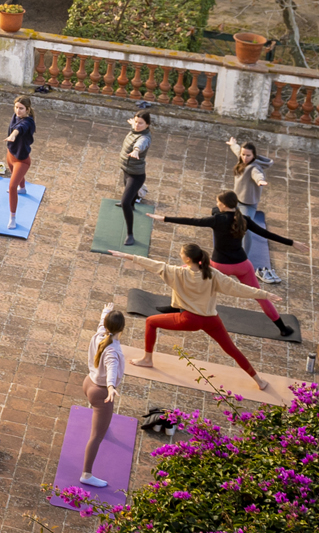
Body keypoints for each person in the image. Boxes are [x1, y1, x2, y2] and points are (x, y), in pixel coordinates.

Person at [107, 242, 270, 391]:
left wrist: (128, 256)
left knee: (150, 321)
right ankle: (259, 381)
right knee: (232, 350)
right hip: (212, 320)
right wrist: (264, 294)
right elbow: (237, 288)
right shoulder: (211, 273)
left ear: (187, 258)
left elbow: (153, 265)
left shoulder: (179, 273)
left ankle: (147, 359)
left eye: (181, 253)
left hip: (189, 320)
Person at [151, 191, 302, 337]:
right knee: (261, 297)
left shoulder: (217, 220)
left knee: (182, 272)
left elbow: (192, 221)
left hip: (218, 267)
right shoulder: (244, 219)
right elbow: (267, 234)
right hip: (242, 265)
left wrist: (164, 218)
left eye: (218, 202)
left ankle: (174, 307)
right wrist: (293, 242)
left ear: (223, 205)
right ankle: (283, 329)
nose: (216, 204)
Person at [77, 305, 128, 487]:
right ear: (121, 329)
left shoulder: (100, 333)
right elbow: (112, 367)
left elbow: (101, 322)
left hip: (88, 382)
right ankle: (87, 474)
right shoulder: (112, 348)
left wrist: (105, 311)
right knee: (96, 437)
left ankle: (102, 424)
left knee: (100, 425)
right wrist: (111, 387)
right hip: (100, 392)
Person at [228, 137, 282, 285]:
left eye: (248, 155)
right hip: (237, 200)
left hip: (248, 204)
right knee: (233, 223)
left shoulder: (254, 167)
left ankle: (243, 256)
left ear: (254, 156)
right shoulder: (242, 157)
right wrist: (233, 144)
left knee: (246, 229)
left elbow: (257, 174)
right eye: (243, 155)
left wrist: (260, 181)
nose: (245, 157)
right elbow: (237, 150)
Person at [117, 110, 151, 246]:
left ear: (147, 125)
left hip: (136, 175)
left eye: (141, 123)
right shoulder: (135, 129)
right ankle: (131, 204)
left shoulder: (145, 138)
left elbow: (140, 144)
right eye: (136, 122)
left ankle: (130, 234)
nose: (137, 125)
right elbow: (135, 127)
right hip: (126, 169)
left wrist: (136, 151)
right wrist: (134, 123)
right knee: (128, 196)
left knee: (125, 202)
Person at [3, 96, 36, 229]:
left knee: (11, 187)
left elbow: (20, 128)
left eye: (21, 108)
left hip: (22, 160)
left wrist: (13, 135)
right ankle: (22, 188)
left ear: (27, 109)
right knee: (15, 176)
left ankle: (12, 218)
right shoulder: (15, 116)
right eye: (16, 107)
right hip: (11, 154)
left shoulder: (28, 122)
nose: (18, 111)